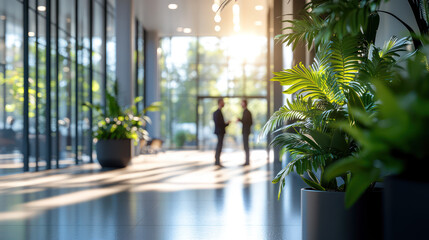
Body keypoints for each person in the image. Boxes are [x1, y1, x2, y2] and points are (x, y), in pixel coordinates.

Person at [213, 98, 230, 167]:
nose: (224, 103)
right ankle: (217, 161)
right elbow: (219, 124)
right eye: (223, 102)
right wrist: (227, 124)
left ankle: (217, 160)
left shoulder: (218, 112)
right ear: (220, 103)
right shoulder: (217, 112)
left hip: (220, 132)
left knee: (219, 146)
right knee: (219, 146)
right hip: (220, 132)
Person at [238, 99, 252, 165]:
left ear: (245, 104)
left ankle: (247, 161)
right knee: (245, 146)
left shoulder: (247, 112)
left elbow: (248, 122)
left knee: (246, 146)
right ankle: (247, 161)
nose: (241, 104)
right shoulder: (245, 112)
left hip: (246, 132)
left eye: (242, 103)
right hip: (245, 131)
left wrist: (240, 120)